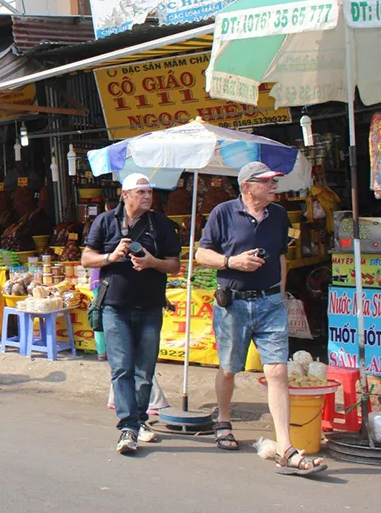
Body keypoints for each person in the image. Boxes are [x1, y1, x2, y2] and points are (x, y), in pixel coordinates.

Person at [195, 162, 326, 476]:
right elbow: (201, 255)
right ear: (247, 186)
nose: (273, 186)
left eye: (273, 181)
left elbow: (281, 256)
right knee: (229, 369)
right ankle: (223, 420)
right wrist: (232, 262)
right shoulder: (223, 213)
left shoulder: (279, 215)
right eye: (266, 182)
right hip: (233, 304)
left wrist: (279, 294)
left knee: (278, 371)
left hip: (270, 303)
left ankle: (285, 448)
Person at [81, 173, 181, 455]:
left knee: (145, 370)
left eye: (149, 192)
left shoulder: (160, 223)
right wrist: (110, 257)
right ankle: (128, 425)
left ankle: (137, 420)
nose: (147, 197)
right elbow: (86, 257)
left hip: (150, 306)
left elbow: (174, 265)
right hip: (115, 306)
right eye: (140, 192)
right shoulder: (105, 221)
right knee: (122, 367)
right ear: (125, 195)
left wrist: (151, 262)